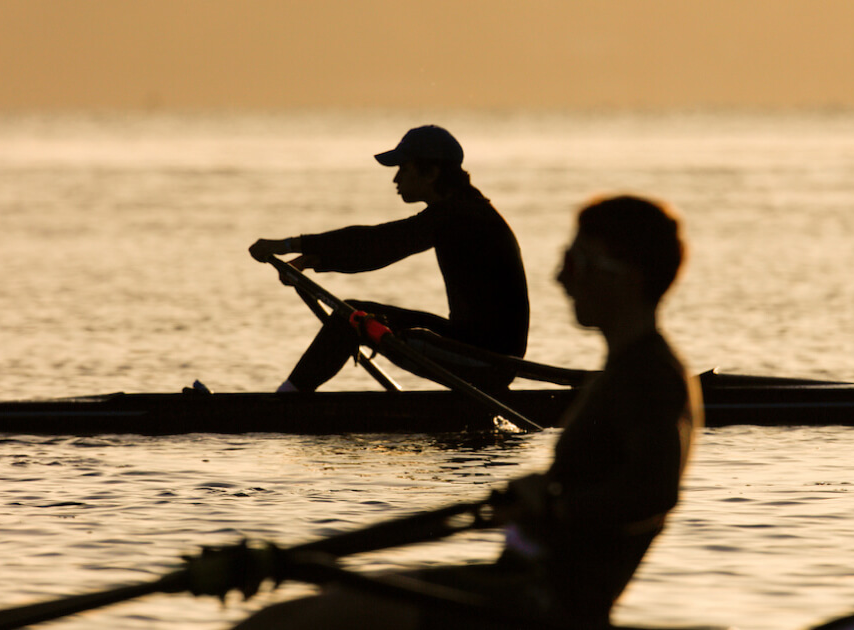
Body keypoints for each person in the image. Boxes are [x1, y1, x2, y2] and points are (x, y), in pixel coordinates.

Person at [232, 195, 703, 629]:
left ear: (627, 275)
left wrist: (554, 504)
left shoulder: (650, 376)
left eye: (574, 262)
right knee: (285, 614)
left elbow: (654, 493)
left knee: (280, 625)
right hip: (518, 582)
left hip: (542, 603)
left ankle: (287, 400)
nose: (560, 278)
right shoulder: (627, 370)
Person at [249, 125, 530, 393]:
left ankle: (285, 402)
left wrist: (289, 244)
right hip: (474, 346)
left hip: (489, 361)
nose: (396, 179)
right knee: (354, 314)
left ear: (431, 172)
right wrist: (314, 259)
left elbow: (380, 244)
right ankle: (290, 397)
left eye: (403, 169)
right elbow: (377, 248)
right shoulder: (463, 210)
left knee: (353, 319)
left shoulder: (463, 217)